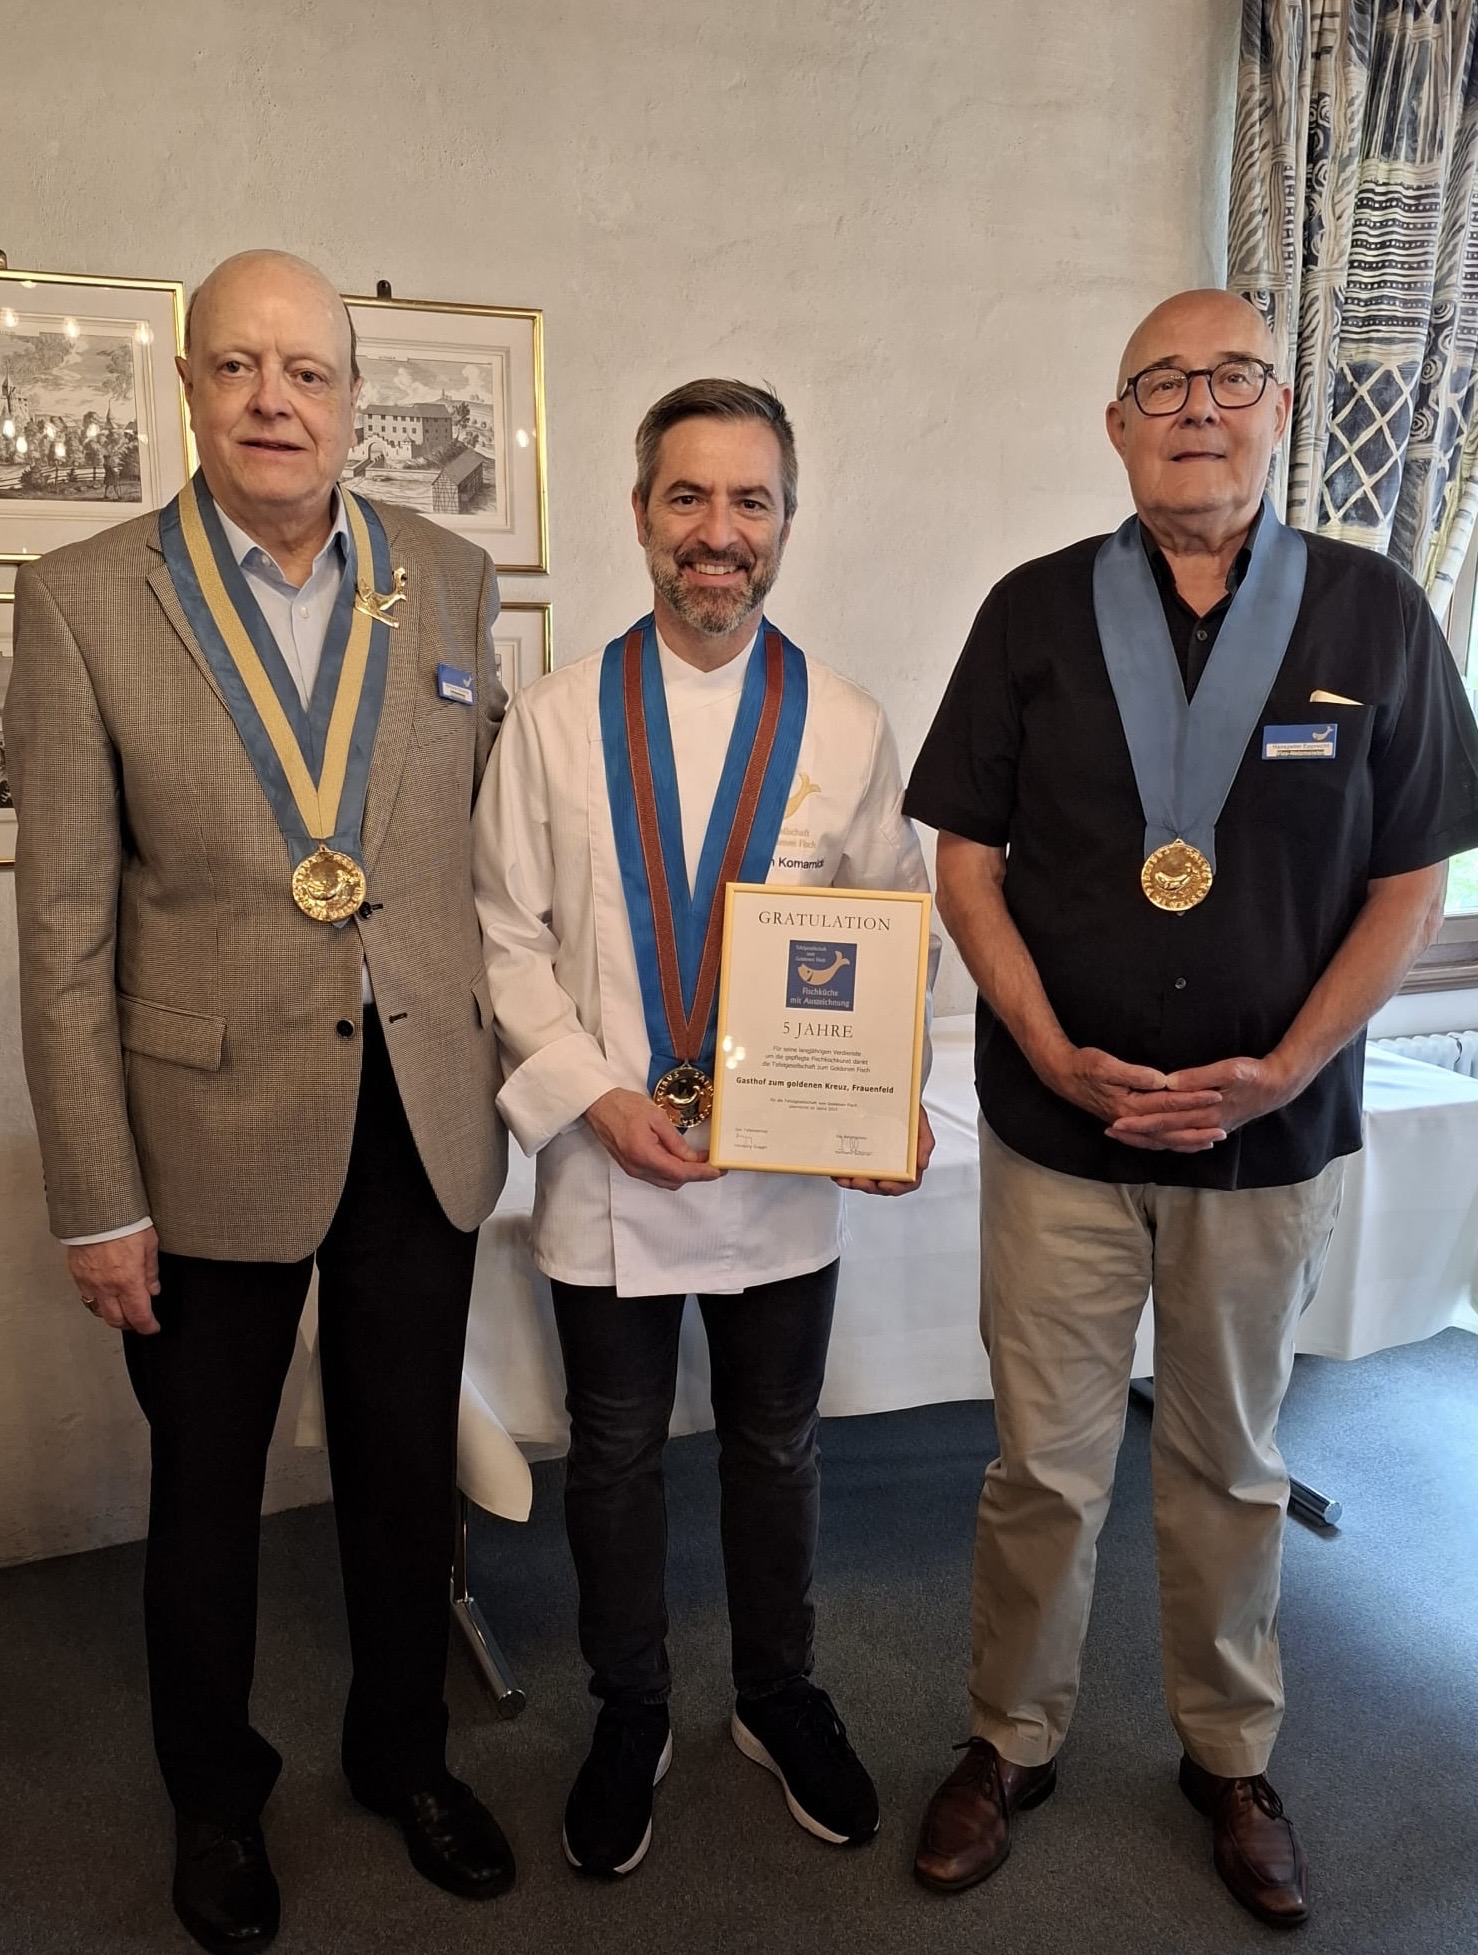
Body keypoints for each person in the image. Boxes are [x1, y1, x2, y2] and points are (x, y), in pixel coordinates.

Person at [904, 289, 1478, 1928]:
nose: (1197, 409)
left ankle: (1228, 1755)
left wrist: (1287, 1066)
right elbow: (964, 863)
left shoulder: (1374, 616)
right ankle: (1009, 1739)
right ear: (1115, 425)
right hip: (1060, 1134)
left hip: (1265, 1136)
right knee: (1041, 1464)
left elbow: (1411, 882)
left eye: (1231, 378)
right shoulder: (1030, 613)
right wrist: (1046, 1049)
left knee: (1229, 1461)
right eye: (1160, 385)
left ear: (1280, 406)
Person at [7, 250, 514, 1954]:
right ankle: (214, 1800)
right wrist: (96, 1197)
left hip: (419, 1115)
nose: (274, 400)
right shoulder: (83, 600)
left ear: (355, 399)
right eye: (237, 368)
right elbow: (63, 933)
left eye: (307, 371)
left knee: (403, 1477)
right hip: (202, 1132)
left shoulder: (447, 579)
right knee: (207, 1501)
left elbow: (482, 863)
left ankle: (404, 1756)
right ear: (189, 391)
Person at [472, 378, 935, 1879]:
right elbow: (504, 938)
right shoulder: (554, 721)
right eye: (688, 497)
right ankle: (630, 1709)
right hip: (604, 1158)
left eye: (749, 501)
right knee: (612, 1453)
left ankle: (776, 1695)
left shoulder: (845, 725)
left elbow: (892, 931)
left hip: (776, 1172)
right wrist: (596, 1095)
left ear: (786, 522)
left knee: (776, 1446)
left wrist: (882, 1099)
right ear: (640, 515)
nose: (716, 531)